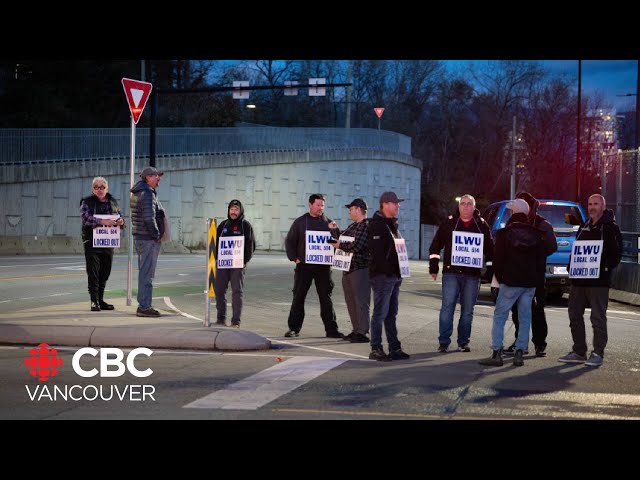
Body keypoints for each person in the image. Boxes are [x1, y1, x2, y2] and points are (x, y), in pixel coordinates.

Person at [479, 198, 546, 367]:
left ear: (514, 212)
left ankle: (496, 352)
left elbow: (498, 260)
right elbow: (540, 264)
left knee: (500, 316)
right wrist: (538, 288)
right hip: (529, 283)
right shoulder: (537, 235)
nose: (509, 212)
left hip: (510, 281)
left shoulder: (504, 234)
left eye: (510, 210)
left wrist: (498, 280)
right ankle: (519, 352)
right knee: (525, 317)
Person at [558, 194, 622, 367]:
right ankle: (579, 351)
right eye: (590, 204)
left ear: (603, 206)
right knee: (574, 315)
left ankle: (598, 353)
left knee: (597, 318)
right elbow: (577, 250)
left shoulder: (610, 228)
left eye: (596, 204)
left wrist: (603, 268)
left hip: (598, 281)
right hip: (579, 280)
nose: (592, 207)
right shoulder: (584, 226)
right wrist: (571, 266)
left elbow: (616, 254)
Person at [429, 194, 493, 353]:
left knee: (467, 310)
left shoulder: (482, 225)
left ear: (474, 207)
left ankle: (463, 342)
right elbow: (436, 245)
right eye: (462, 203)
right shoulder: (449, 223)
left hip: (472, 275)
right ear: (459, 206)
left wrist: (490, 271)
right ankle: (443, 342)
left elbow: (491, 250)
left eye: (468, 204)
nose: (465, 206)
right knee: (447, 307)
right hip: (451, 273)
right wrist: (433, 267)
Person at [503, 191, 558, 357]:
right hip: (517, 273)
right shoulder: (514, 223)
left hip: (534, 274)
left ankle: (539, 343)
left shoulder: (542, 225)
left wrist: (537, 257)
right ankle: (521, 343)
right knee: (517, 310)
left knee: (536, 309)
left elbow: (552, 247)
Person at [284, 193, 344, 338]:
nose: (320, 208)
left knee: (326, 298)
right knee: (298, 297)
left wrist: (334, 229)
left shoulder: (329, 223)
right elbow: (290, 241)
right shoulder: (300, 222)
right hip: (304, 266)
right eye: (317, 205)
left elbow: (338, 241)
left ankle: (331, 330)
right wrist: (294, 258)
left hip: (323, 268)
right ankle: (294, 328)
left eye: (322, 205)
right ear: (310, 205)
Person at [367, 191, 410, 361]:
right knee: (380, 313)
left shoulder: (391, 224)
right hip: (383, 277)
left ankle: (394, 348)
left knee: (391, 314)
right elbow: (377, 254)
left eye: (398, 203)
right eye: (394, 203)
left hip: (393, 276)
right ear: (385, 204)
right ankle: (376, 348)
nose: (398, 205)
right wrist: (389, 271)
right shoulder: (378, 225)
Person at [80, 176, 125, 311]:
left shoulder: (113, 201)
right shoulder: (87, 202)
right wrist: (102, 221)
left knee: (105, 272)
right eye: (96, 187)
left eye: (102, 187)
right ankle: (94, 301)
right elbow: (85, 219)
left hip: (108, 242)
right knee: (93, 272)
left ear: (107, 189)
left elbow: (119, 217)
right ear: (93, 189)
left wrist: (121, 222)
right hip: (92, 241)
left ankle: (101, 299)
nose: (99, 190)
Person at [332, 198, 371, 343]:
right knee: (351, 301)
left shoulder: (366, 226)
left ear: (358, 209)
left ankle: (362, 332)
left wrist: (340, 245)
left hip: (360, 269)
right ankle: (356, 330)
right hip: (348, 268)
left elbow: (357, 245)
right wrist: (334, 230)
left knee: (361, 301)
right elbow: (343, 237)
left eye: (351, 208)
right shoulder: (353, 226)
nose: (349, 211)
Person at [214, 199, 256, 328]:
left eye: (236, 209)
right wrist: (216, 258)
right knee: (219, 290)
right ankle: (221, 318)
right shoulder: (223, 225)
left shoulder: (245, 226)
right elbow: (215, 243)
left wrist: (245, 260)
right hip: (223, 264)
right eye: (231, 209)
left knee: (237, 291)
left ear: (240, 211)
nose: (233, 212)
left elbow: (251, 244)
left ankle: (235, 321)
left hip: (238, 264)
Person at [130, 166, 165, 318]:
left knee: (144, 272)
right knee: (147, 274)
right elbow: (149, 218)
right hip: (147, 239)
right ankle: (144, 306)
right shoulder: (147, 193)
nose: (159, 179)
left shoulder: (138, 192)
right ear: (148, 177)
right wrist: (156, 234)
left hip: (140, 237)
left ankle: (143, 304)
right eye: (156, 176)